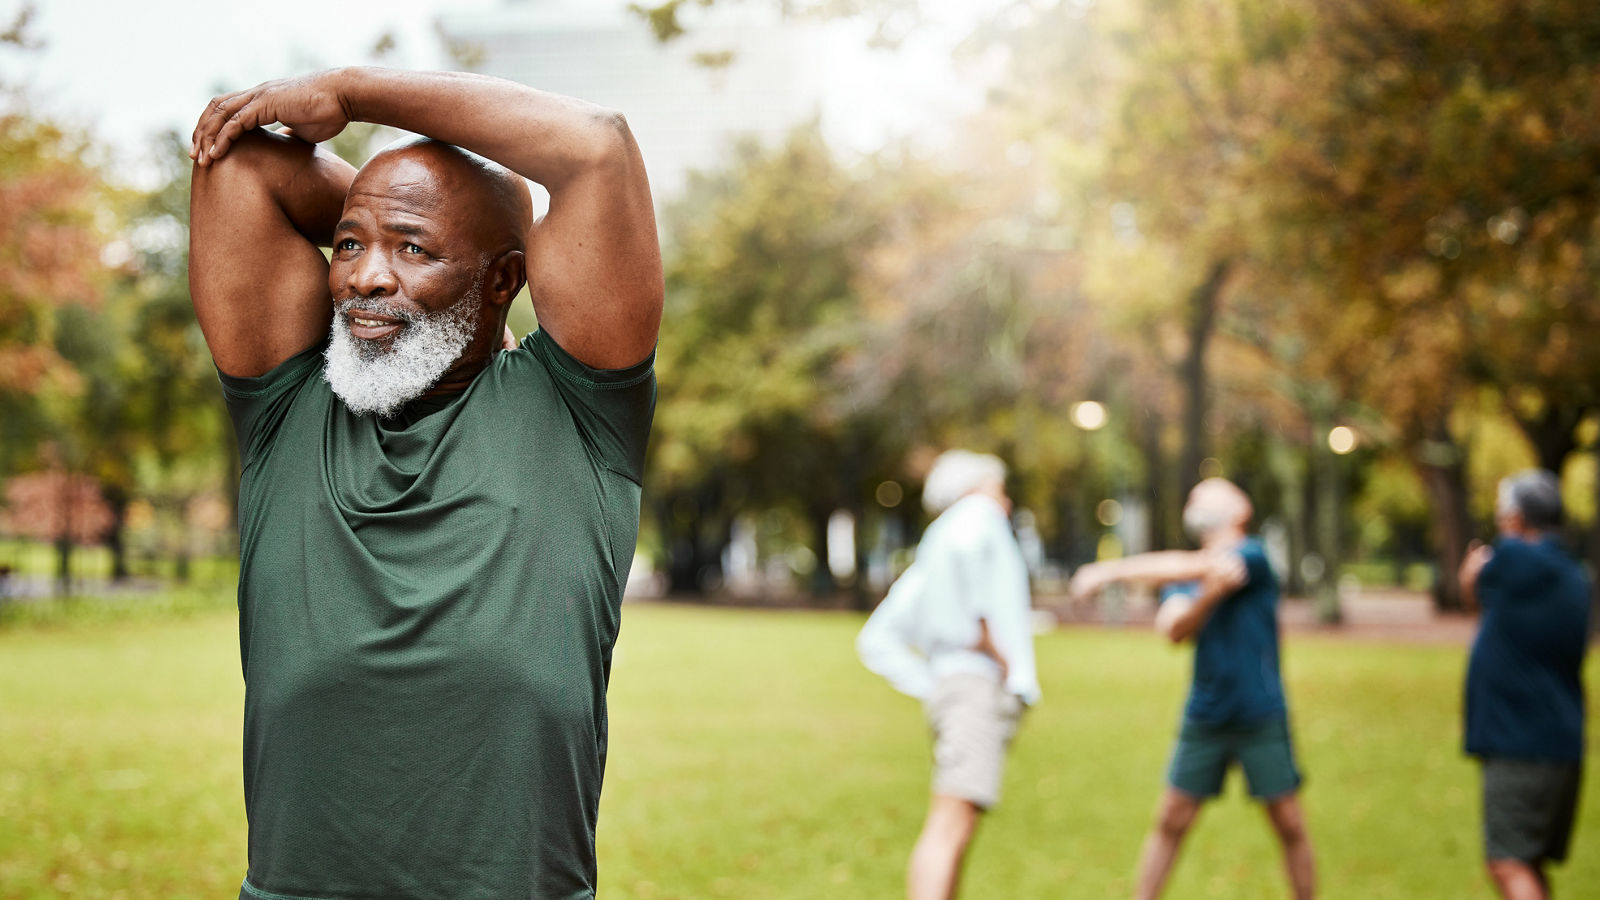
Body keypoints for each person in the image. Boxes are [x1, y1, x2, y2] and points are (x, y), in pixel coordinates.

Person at [188, 67, 661, 899]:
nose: (365, 278)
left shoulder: (577, 412)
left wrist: (352, 95)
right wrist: (394, 204)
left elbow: (596, 149)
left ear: (504, 281)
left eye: (413, 249)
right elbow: (239, 163)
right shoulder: (286, 407)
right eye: (347, 245)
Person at [1070, 478, 1315, 900]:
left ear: (1241, 508)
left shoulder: (1253, 555)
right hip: (1206, 714)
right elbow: (1174, 629)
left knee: (1289, 822)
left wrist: (1111, 571)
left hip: (1260, 712)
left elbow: (1204, 566)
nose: (1196, 495)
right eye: (1194, 492)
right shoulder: (1185, 574)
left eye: (1210, 490)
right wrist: (1209, 597)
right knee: (1171, 820)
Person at [856, 450, 1040, 900]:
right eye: (1001, 488)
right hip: (975, 687)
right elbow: (969, 564)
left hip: (956, 688)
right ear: (976, 486)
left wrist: (934, 684)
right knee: (950, 825)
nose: (1007, 502)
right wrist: (990, 642)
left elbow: (877, 637)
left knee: (957, 826)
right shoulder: (975, 516)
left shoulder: (937, 540)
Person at [1458, 469, 1591, 900]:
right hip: (1563, 741)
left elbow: (1474, 589)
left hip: (1518, 741)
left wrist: (1471, 572)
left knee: (1507, 862)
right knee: (1530, 862)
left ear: (1516, 519)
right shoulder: (1575, 577)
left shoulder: (1512, 560)